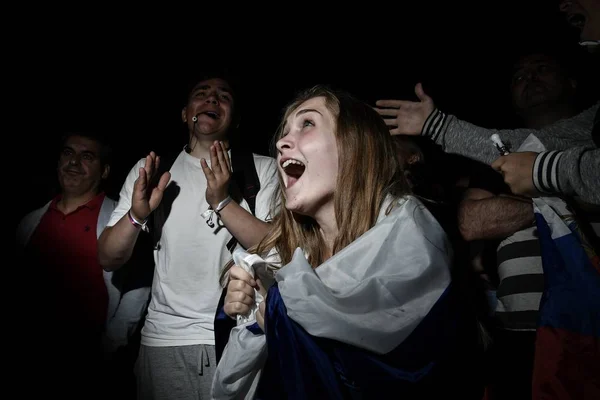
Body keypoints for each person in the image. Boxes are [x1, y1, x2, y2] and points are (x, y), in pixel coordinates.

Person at [213, 85, 484, 399]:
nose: (282, 142)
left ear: (354, 144)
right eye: (284, 132)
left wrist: (278, 315)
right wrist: (253, 304)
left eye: (308, 124)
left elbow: (397, 368)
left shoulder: (410, 233)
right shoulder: (288, 256)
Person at [97, 73, 279, 399]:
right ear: (185, 114)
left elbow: (278, 250)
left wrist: (223, 201)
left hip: (240, 340)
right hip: (165, 340)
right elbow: (108, 257)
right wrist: (138, 215)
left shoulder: (262, 170)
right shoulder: (152, 171)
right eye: (202, 93)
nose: (212, 99)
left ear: (234, 118)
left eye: (223, 95)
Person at [16, 131, 146, 398]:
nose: (74, 163)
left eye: (87, 157)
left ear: (105, 170)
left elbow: (140, 283)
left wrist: (114, 341)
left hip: (92, 362)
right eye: (67, 153)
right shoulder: (31, 221)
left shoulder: (120, 221)